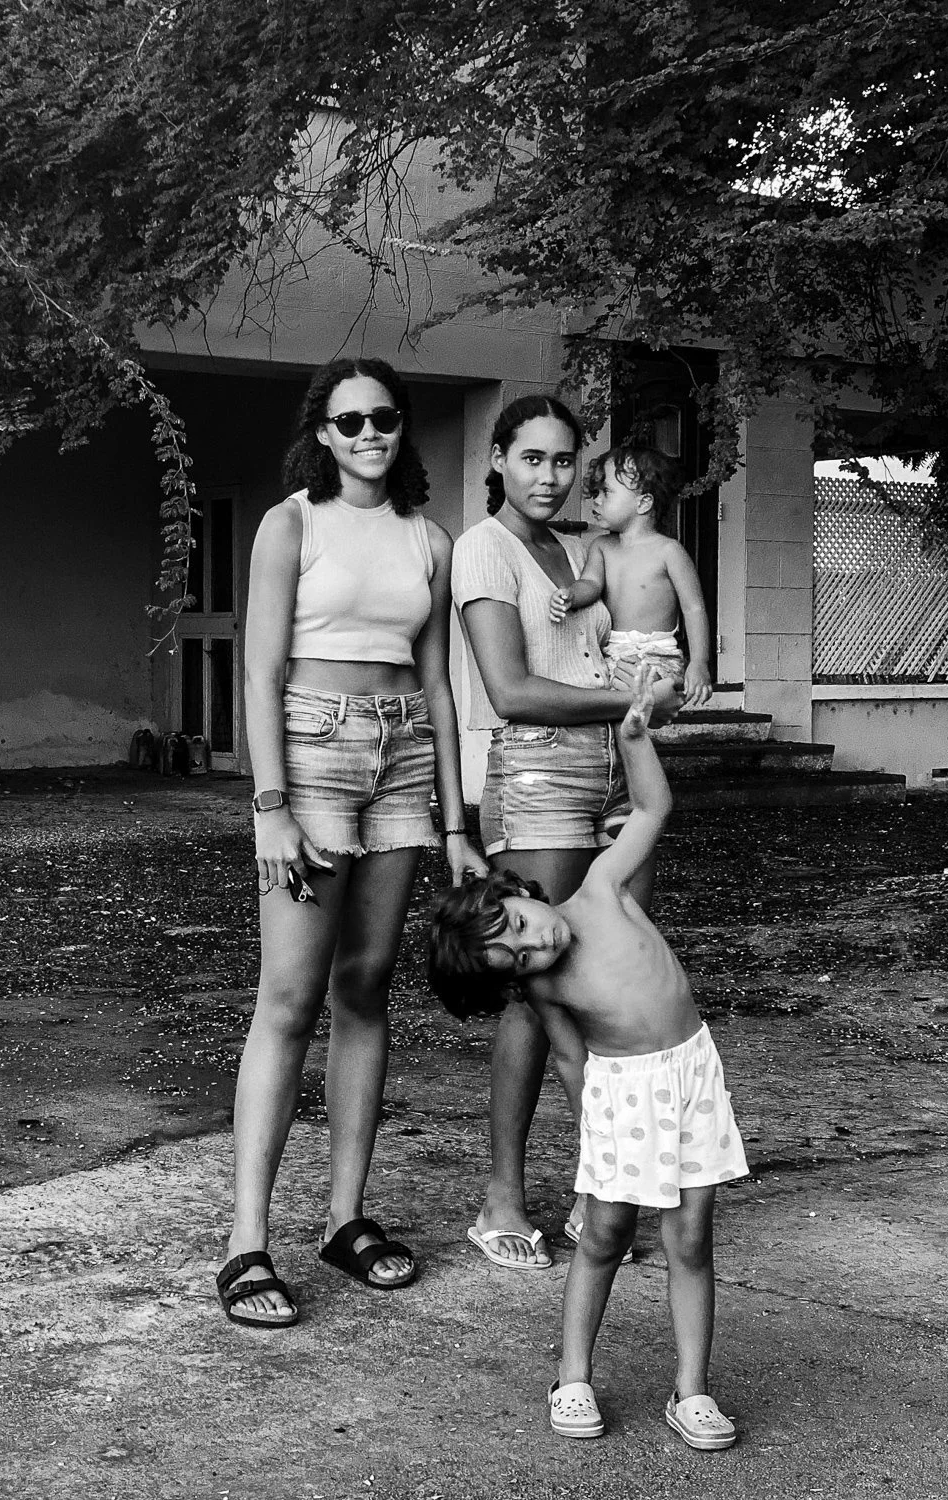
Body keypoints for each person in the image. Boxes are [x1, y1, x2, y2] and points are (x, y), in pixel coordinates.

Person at [216, 356, 487, 1329]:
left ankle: (345, 1218)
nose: (370, 433)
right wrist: (271, 805)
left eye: (385, 419)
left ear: (401, 429)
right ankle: (248, 1243)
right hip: (313, 754)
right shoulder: (292, 522)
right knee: (288, 999)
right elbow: (260, 673)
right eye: (351, 420)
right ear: (322, 433)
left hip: (405, 759)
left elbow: (443, 685)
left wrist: (456, 823)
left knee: (367, 984)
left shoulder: (429, 538)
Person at [428, 673, 748, 1449]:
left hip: (693, 1073)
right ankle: (573, 1376)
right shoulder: (548, 991)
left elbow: (651, 811)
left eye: (519, 923)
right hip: (623, 1099)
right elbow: (573, 1063)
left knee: (692, 1238)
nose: (533, 942)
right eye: (515, 957)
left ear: (518, 890)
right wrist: (594, 1138)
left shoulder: (601, 890)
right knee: (603, 1236)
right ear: (515, 980)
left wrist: (636, 739)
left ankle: (691, 1390)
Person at [450, 395, 683, 1273]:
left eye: (564, 462)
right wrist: (631, 704)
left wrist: (653, 695)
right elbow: (510, 689)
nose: (550, 477)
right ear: (500, 460)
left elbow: (631, 643)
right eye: (533, 458)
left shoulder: (589, 550)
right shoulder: (484, 549)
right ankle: (502, 1198)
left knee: (609, 971)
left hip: (617, 769)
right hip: (539, 775)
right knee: (532, 991)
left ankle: (601, 1194)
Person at [549, 441, 713, 714]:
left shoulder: (668, 551)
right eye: (596, 492)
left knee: (648, 706)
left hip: (659, 655)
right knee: (603, 709)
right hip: (611, 654)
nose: (596, 500)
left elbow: (693, 608)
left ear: (643, 502)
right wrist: (570, 595)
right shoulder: (601, 546)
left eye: (607, 492)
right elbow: (591, 584)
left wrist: (699, 662)